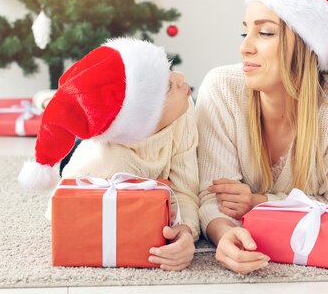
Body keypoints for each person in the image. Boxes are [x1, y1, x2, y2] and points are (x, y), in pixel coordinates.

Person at [196, 0, 328, 274]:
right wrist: (224, 234)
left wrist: (259, 201)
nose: (245, 47)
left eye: (264, 33)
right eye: (245, 31)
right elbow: (212, 196)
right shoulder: (221, 88)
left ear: (304, 47)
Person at [18, 37, 199, 271]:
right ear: (147, 116)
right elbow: (61, 213)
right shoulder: (109, 163)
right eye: (168, 86)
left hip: (125, 132)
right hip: (87, 159)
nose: (182, 78)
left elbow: (186, 191)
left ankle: (52, 98)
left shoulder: (183, 111)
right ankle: (50, 100)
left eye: (170, 71)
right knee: (76, 133)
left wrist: (185, 230)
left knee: (85, 115)